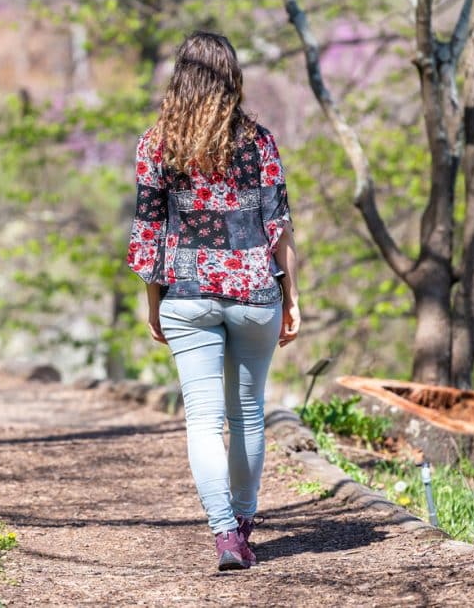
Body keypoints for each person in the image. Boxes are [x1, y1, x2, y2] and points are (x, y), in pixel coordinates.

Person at [126, 30, 300, 571]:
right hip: (253, 292)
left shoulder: (157, 144)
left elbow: (147, 234)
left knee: (202, 420)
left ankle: (224, 536)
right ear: (232, 79)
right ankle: (244, 527)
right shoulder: (259, 143)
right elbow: (280, 230)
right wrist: (293, 298)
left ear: (181, 76)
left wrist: (153, 304)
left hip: (185, 294)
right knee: (247, 415)